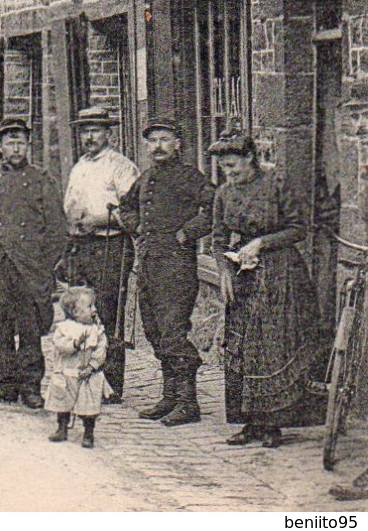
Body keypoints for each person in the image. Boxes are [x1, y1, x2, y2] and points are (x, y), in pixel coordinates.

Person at [210, 129, 327, 448]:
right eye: (224, 167)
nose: (229, 172)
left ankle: (273, 423)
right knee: (243, 348)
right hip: (243, 277)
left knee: (273, 346)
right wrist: (223, 271)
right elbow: (218, 237)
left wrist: (261, 242)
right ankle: (248, 422)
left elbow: (298, 229)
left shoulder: (276, 184)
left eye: (233, 165)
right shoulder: (223, 194)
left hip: (280, 275)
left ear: (250, 158)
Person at [116, 119, 213, 426]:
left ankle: (188, 402)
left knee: (173, 332)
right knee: (155, 332)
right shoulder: (145, 179)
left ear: (177, 144)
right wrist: (136, 225)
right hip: (148, 265)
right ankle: (170, 397)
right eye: (152, 140)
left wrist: (188, 232)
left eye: (164, 139)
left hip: (176, 267)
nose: (157, 146)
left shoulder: (189, 177)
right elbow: (126, 207)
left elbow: (216, 207)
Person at [0, 117, 65, 409]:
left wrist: (44, 264)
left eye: (21, 142)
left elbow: (56, 229)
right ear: (0, 147)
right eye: (10, 142)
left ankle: (30, 387)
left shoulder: (42, 180)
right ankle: (4, 384)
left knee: (30, 329)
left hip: (29, 267)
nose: (16, 147)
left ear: (28, 146)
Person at [61, 105, 140, 402]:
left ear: (109, 133)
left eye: (95, 130)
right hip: (82, 246)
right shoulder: (79, 166)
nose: (90, 136)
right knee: (80, 312)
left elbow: (134, 211)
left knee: (108, 314)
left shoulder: (121, 167)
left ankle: (111, 385)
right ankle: (86, 377)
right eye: (85, 130)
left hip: (111, 246)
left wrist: (101, 219)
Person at [46, 285, 108, 448]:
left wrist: (92, 366)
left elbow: (101, 351)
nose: (94, 309)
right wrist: (74, 343)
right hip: (67, 373)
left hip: (88, 375)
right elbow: (60, 345)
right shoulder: (64, 328)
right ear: (75, 313)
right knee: (63, 402)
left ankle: (88, 433)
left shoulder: (97, 330)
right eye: (89, 306)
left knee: (89, 406)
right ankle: (61, 428)